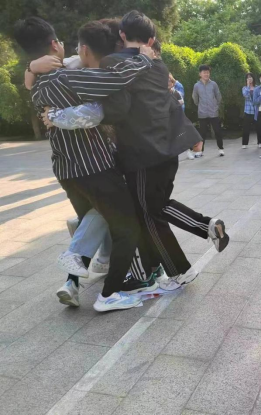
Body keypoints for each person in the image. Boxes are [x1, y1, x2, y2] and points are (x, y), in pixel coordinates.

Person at [35, 11, 231, 293]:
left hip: (141, 155)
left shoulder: (113, 63)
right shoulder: (159, 65)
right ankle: (190, 250)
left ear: (122, 35)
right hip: (166, 152)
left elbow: (115, 108)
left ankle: (188, 256)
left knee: (149, 211)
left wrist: (58, 116)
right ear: (151, 40)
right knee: (154, 208)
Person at [14, 17, 155, 312]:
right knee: (125, 226)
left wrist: (30, 68)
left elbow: (66, 68)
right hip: (93, 166)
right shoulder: (68, 79)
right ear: (54, 44)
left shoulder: (39, 83)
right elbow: (114, 79)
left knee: (95, 220)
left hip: (66, 171)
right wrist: (144, 58)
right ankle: (111, 292)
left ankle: (76, 278)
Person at [193, 64, 224, 157]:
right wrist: (199, 105)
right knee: (202, 133)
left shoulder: (213, 84)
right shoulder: (196, 86)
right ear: (200, 74)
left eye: (208, 72)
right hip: (202, 113)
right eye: (204, 72)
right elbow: (195, 98)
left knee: (217, 131)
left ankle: (221, 149)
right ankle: (200, 151)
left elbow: (218, 96)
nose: (206, 74)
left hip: (213, 112)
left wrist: (215, 106)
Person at [242, 72, 256, 149]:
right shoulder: (244, 88)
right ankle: (244, 143)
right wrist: (248, 86)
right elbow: (246, 95)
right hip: (247, 111)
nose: (249, 79)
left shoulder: (257, 87)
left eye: (250, 77)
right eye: (248, 77)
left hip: (256, 111)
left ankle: (260, 142)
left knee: (258, 127)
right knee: (246, 128)